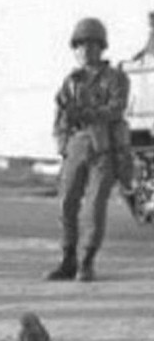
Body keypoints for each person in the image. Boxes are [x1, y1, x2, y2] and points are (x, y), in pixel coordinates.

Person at [45, 18, 130, 282]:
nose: (85, 51)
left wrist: (87, 112)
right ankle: (68, 259)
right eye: (80, 46)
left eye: (91, 45)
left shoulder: (115, 78)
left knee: (94, 207)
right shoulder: (71, 81)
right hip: (77, 145)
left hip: (104, 147)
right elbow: (60, 116)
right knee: (67, 203)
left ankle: (86, 261)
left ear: (101, 47)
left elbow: (116, 108)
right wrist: (63, 144)